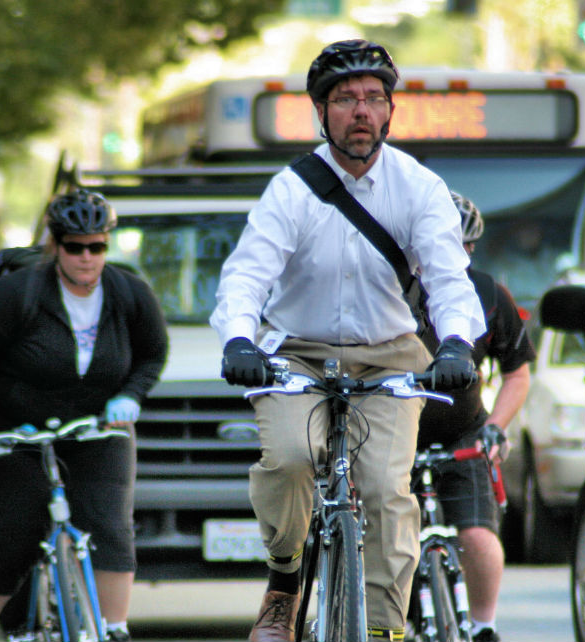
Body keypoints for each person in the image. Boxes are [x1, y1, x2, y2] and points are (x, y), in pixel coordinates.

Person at [211, 40, 486, 642]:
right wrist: (238, 340)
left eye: (372, 98)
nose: (360, 110)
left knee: (389, 493)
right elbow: (248, 273)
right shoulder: (292, 190)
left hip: (389, 354)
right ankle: (284, 582)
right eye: (344, 99)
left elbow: (447, 277)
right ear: (322, 112)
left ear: (389, 111)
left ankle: (384, 629)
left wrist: (456, 345)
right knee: (288, 459)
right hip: (298, 353)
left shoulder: (418, 187)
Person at [0, 189, 168, 642]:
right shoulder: (17, 295)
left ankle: (114, 630)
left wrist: (131, 395)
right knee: (17, 532)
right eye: (74, 246)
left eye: (97, 246)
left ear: (107, 244)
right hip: (10, 429)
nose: (86, 257)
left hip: (96, 428)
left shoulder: (130, 294)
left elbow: (153, 353)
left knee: (110, 526)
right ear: (55, 245)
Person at [416, 192, 535, 642]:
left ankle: (483, 626)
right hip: (393, 434)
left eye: (469, 247)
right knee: (389, 539)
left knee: (479, 537)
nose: (460, 256)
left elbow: (517, 375)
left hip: (462, 434)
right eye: (450, 244)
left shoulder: (487, 294)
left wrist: (494, 427)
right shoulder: (390, 289)